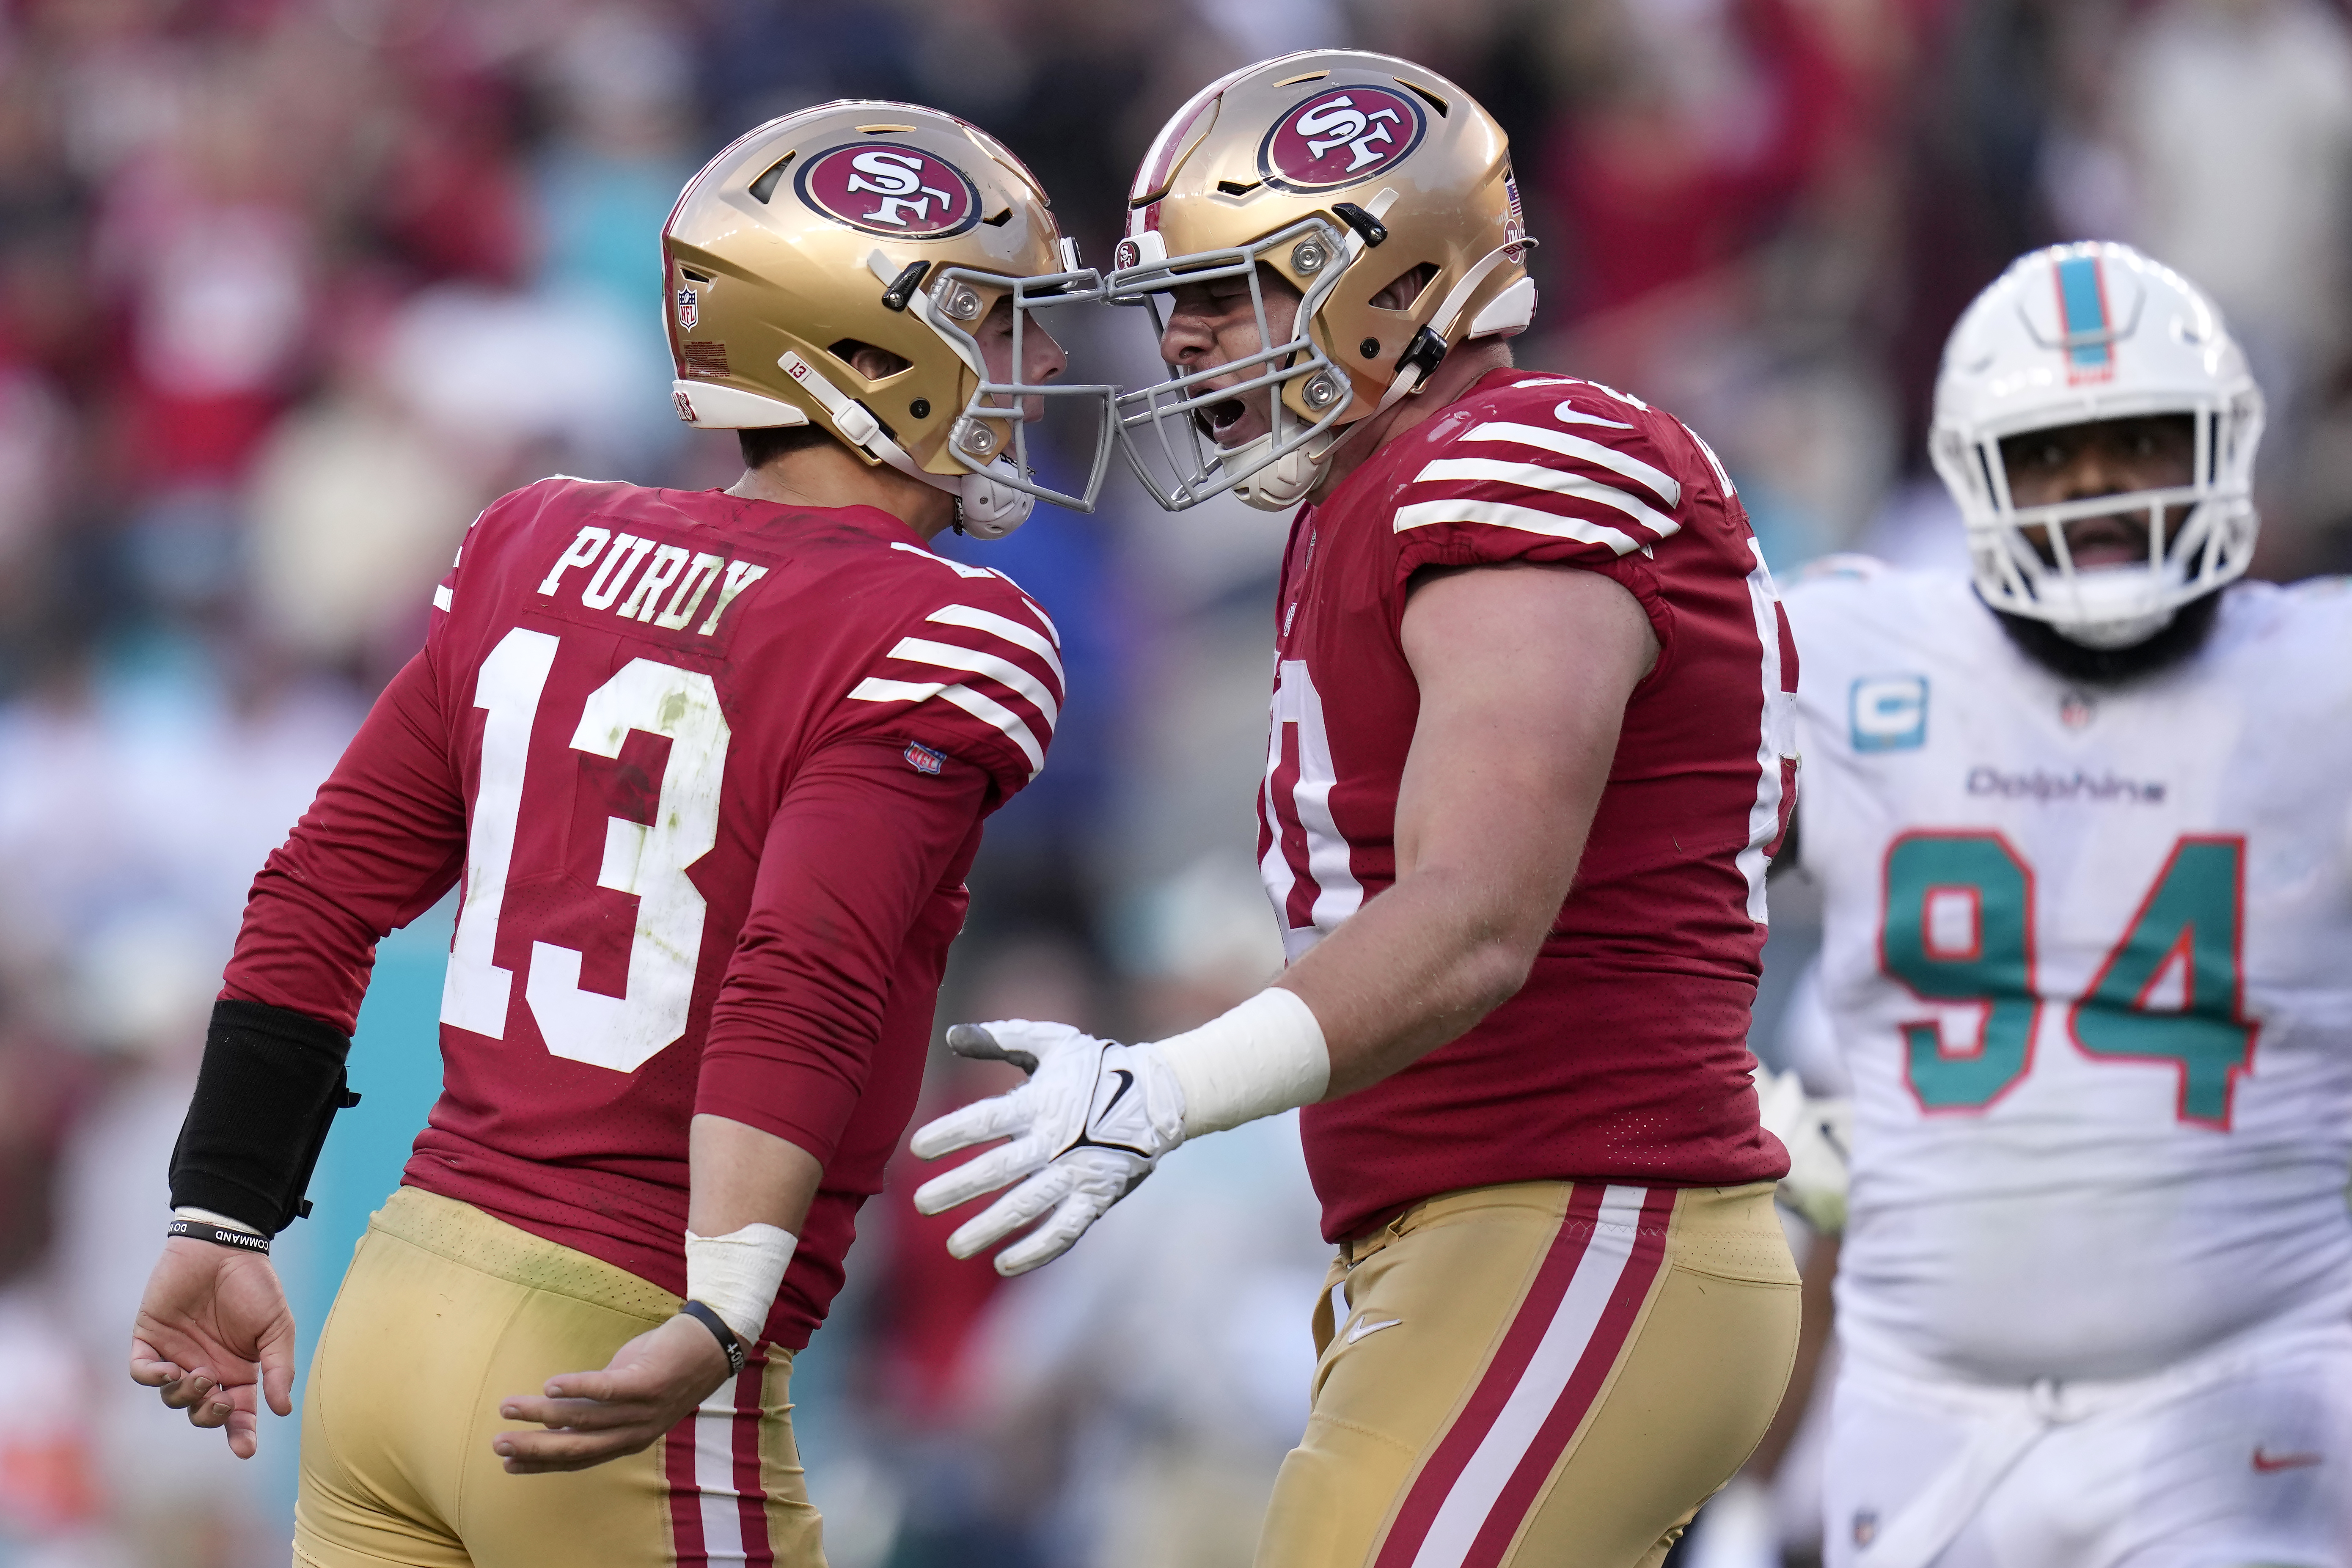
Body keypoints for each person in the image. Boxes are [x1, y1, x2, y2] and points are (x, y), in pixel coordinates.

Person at [123, 100, 1109, 1568]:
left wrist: (223, 1206)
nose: (1037, 367)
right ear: (861, 352)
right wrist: (722, 1303)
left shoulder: (538, 540)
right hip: (619, 1346)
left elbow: (321, 888)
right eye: (994, 321)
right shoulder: (938, 626)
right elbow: (804, 974)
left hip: (392, 1307)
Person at [910, 51, 1806, 1568]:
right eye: (1174, 301)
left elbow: (1474, 917)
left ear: (1391, 284)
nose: (1183, 345)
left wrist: (1168, 1087)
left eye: (1227, 292)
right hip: (1472, 1231)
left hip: (1585, 1212)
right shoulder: (1376, 495)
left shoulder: (1519, 460)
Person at [1777, 240, 2352, 1568]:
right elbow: (1612, 878)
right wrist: (1734, 1110)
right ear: (1974, 472)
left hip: (2241, 1391)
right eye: (2051, 451)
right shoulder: (1852, 655)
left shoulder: (2319, 681)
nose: (2094, 487)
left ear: (2220, 447)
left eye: (2138, 440)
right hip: (1919, 1410)